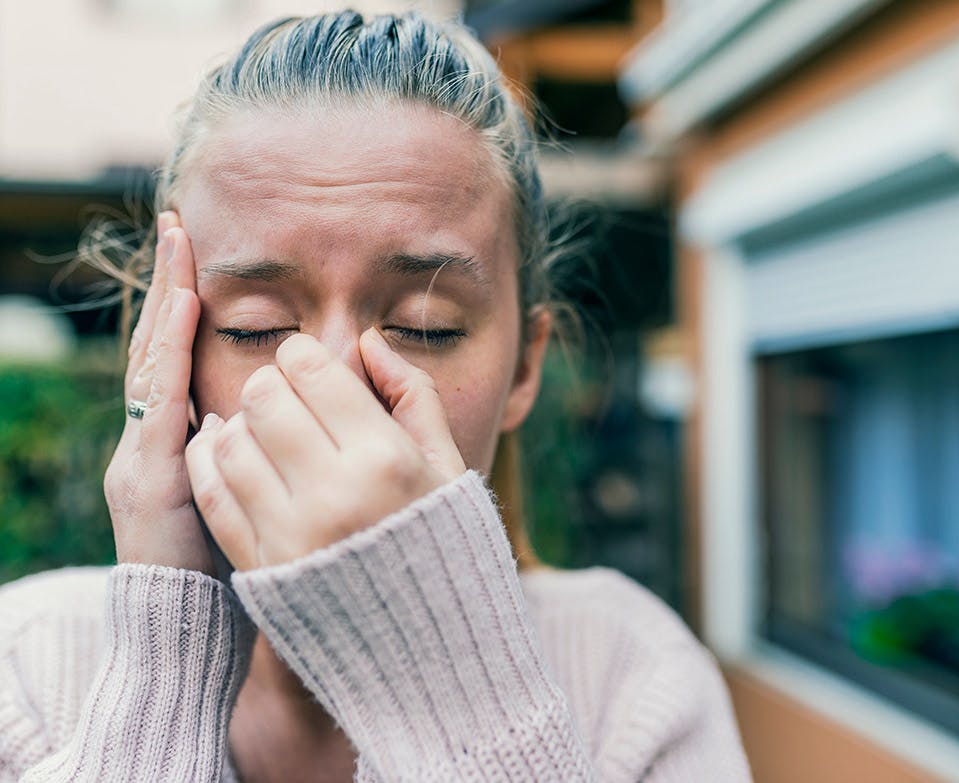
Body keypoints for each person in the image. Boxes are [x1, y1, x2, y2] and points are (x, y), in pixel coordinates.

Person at [0, 10, 752, 782]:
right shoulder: (25, 669)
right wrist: (160, 671)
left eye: (424, 326)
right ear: (161, 352)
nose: (338, 388)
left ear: (525, 368)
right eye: (255, 326)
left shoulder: (636, 679)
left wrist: (456, 701)